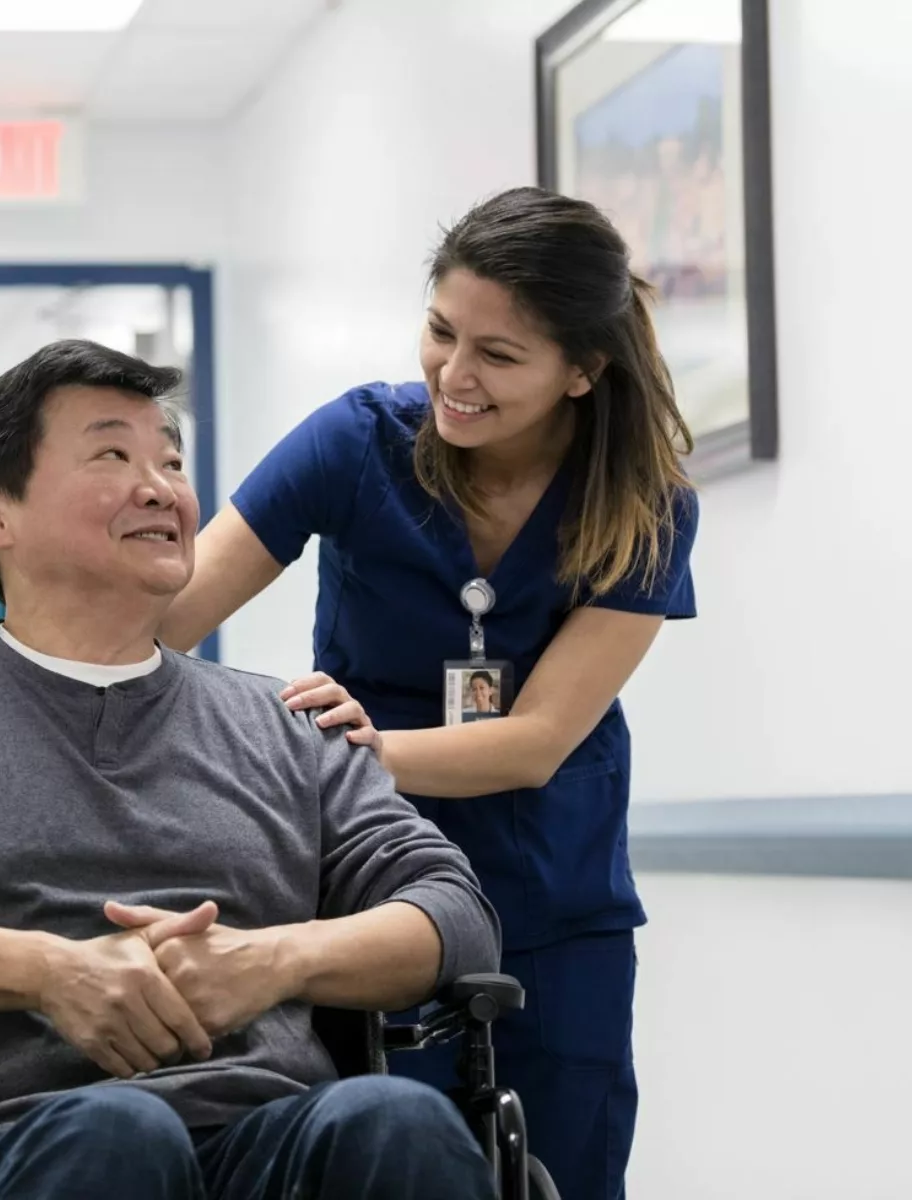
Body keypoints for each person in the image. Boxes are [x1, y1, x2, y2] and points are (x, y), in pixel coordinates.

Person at [0, 340, 502, 1200]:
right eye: (111, 454)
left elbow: (453, 913)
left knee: (402, 1122)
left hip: (268, 1140)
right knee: (121, 1137)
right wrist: (49, 972)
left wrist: (273, 961)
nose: (160, 486)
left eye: (170, 460)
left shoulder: (286, 720)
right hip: (20, 1151)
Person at [159, 186, 698, 1200]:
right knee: (379, 1157)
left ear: (582, 371)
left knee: (564, 1169)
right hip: (365, 888)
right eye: (441, 331)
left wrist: (354, 747)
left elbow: (537, 738)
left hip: (554, 895)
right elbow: (167, 619)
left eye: (498, 357)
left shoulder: (642, 504)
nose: (453, 375)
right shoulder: (355, 443)